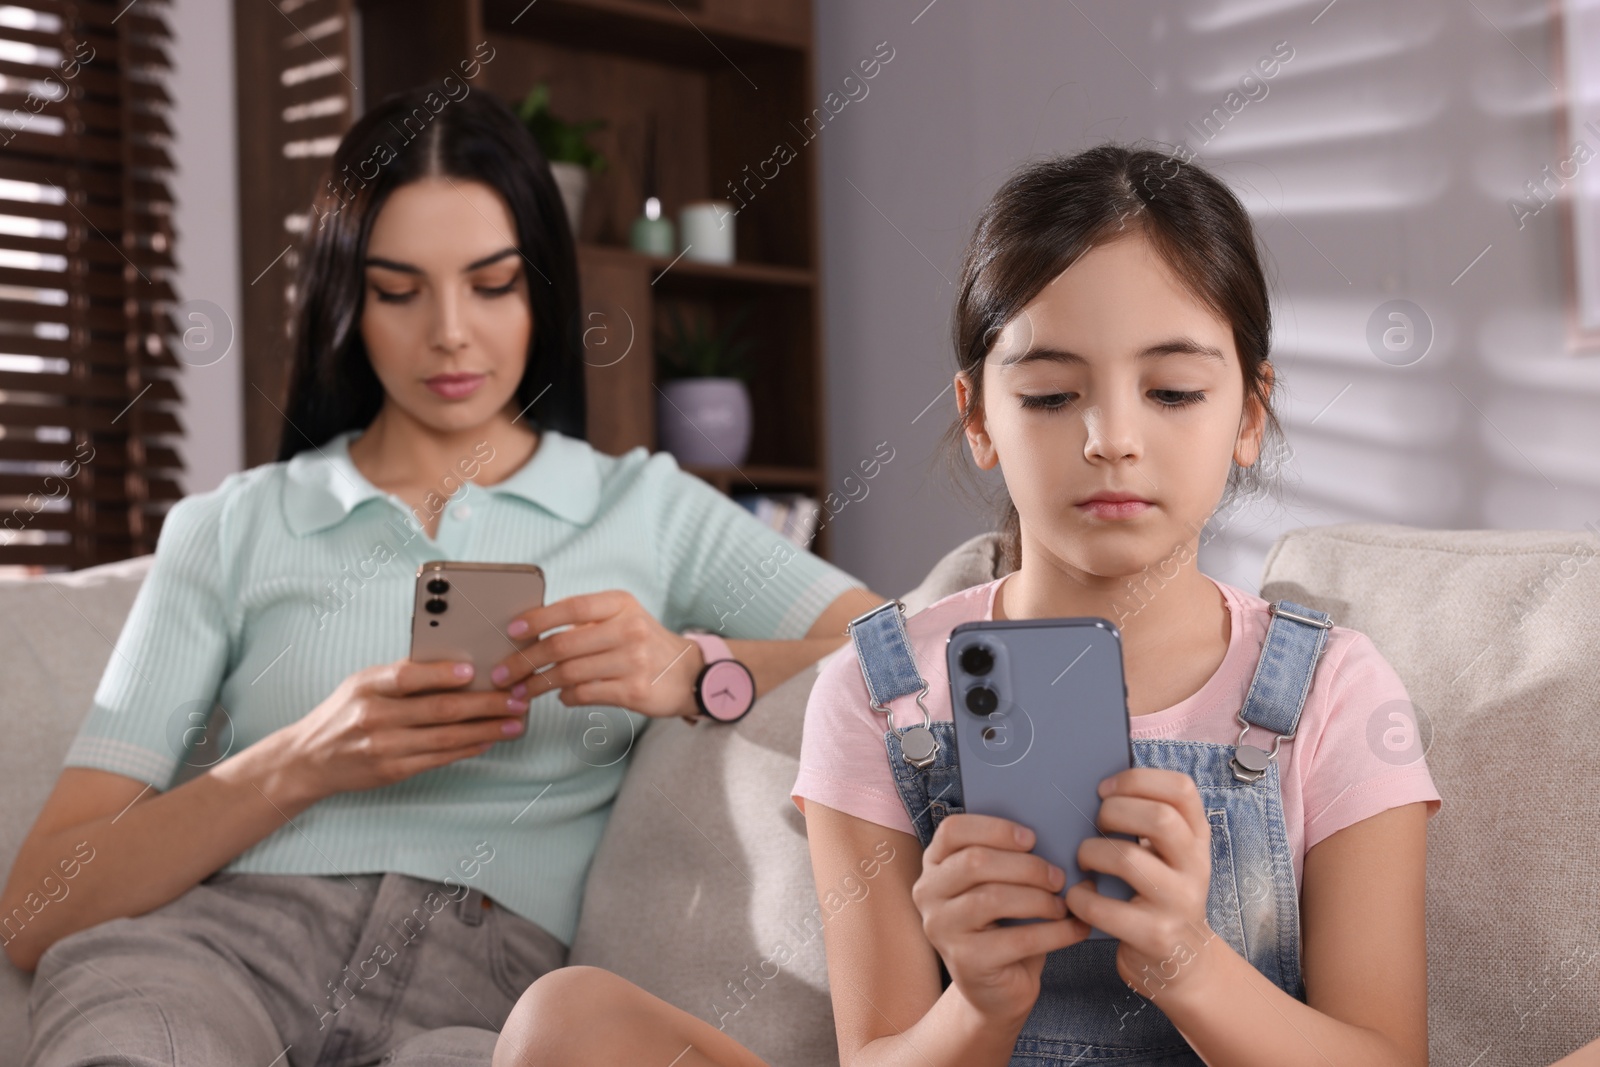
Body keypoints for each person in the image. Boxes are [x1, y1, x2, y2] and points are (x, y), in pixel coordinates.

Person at [490, 145, 1444, 1066]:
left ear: (1248, 413)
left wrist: (1188, 966)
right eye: (1052, 394)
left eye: (1172, 389)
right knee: (565, 1022)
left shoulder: (1330, 689)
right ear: (979, 417)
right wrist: (981, 1002)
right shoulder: (880, 690)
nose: (1111, 438)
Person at [2, 85, 881, 1066]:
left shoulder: (647, 508)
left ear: (541, 287)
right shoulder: (231, 525)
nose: (450, 331)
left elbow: (913, 645)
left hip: (484, 993)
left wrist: (693, 667)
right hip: (221, 954)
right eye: (398, 289)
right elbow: (38, 907)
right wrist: (302, 760)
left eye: (492, 282)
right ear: (348, 298)